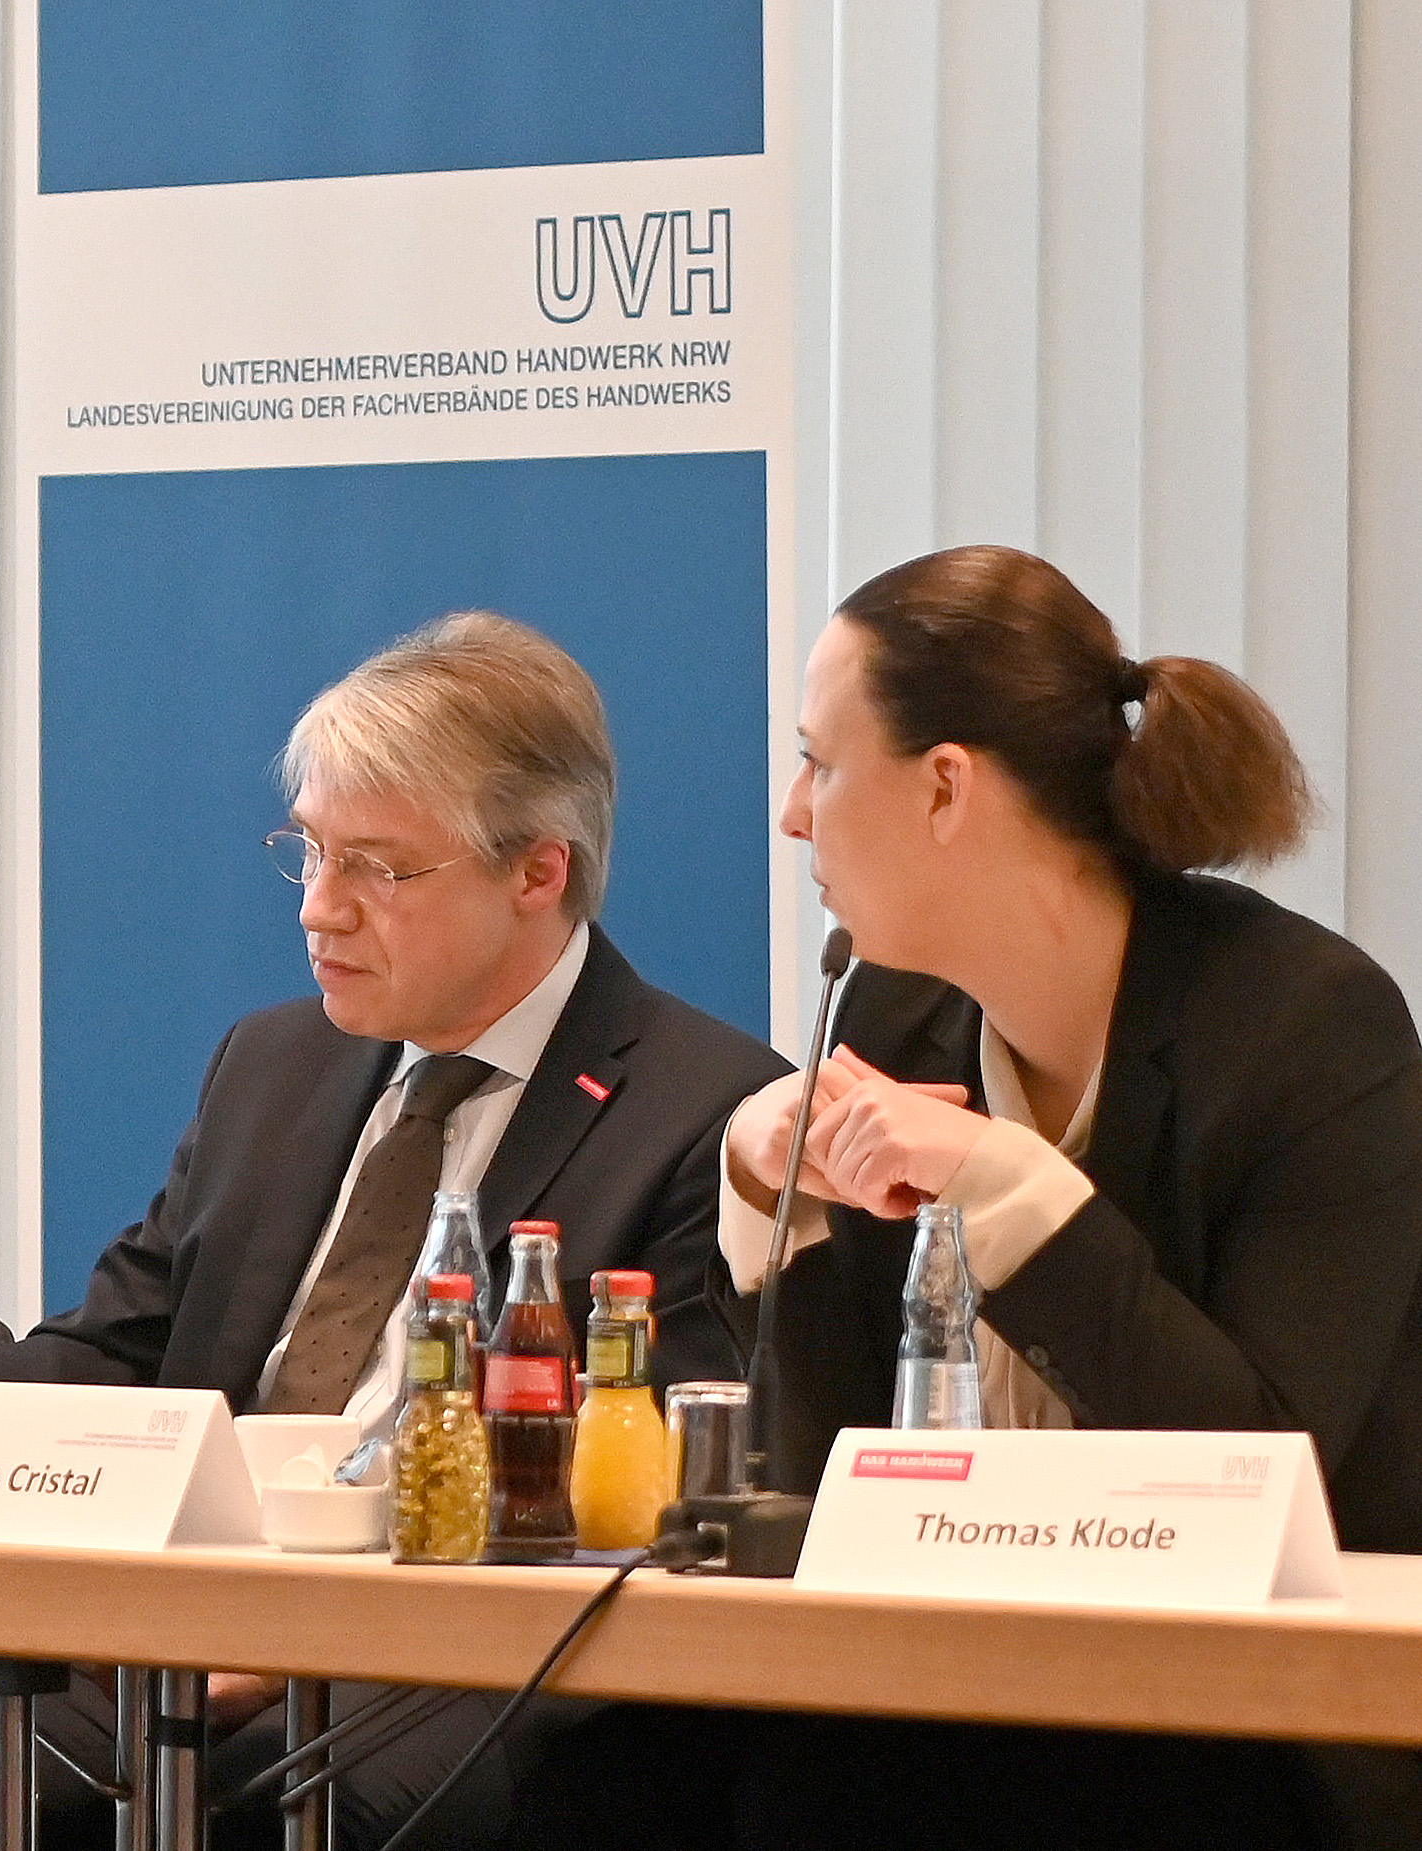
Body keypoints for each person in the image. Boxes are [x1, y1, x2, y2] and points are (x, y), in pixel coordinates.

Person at [0, 614, 789, 1851]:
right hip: (170, 1625)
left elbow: (631, 1500)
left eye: (378, 869)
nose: (320, 910)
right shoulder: (271, 1064)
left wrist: (297, 1638)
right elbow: (112, 1347)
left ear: (536, 872)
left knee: (289, 1801)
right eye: (309, 854)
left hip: (448, 1659)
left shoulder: (706, 1114)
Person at [506, 545, 1422, 1848]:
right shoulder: (892, 1013)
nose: (791, 811)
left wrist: (1009, 1185)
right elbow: (829, 1474)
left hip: (1236, 1718)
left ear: (946, 787)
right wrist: (777, 1200)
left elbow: (1262, 1468)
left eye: (821, 760)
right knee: (584, 1780)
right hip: (948, 1677)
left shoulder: (1307, 1025)